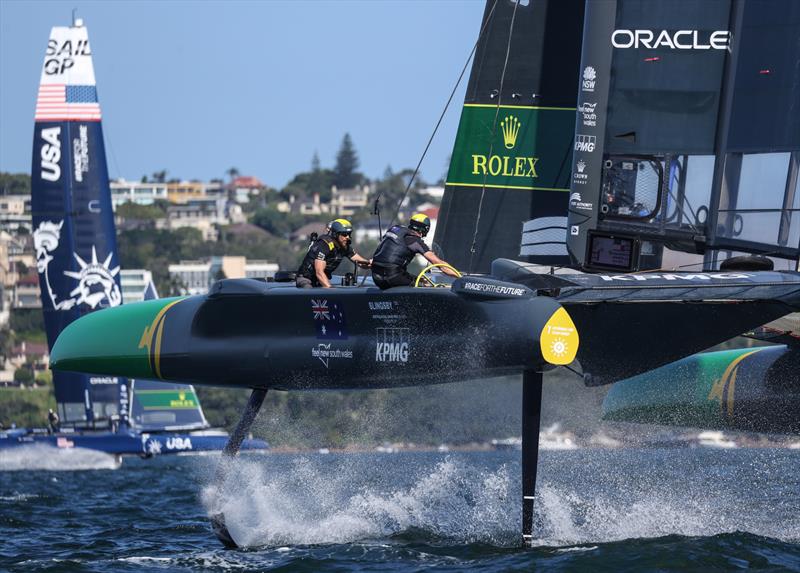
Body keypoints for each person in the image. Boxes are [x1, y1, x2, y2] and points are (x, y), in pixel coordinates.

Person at [371, 213, 458, 289]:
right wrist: (459, 277)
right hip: (392, 277)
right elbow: (439, 264)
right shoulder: (415, 241)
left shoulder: (396, 230)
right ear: (425, 230)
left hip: (376, 277)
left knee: (420, 280)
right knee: (425, 284)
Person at [296, 219, 371, 288]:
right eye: (344, 234)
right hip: (306, 279)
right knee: (310, 291)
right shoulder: (324, 245)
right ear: (336, 234)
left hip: (319, 281)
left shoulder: (344, 246)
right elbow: (319, 272)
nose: (348, 237)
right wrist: (331, 290)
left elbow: (360, 262)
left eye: (349, 234)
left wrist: (371, 263)